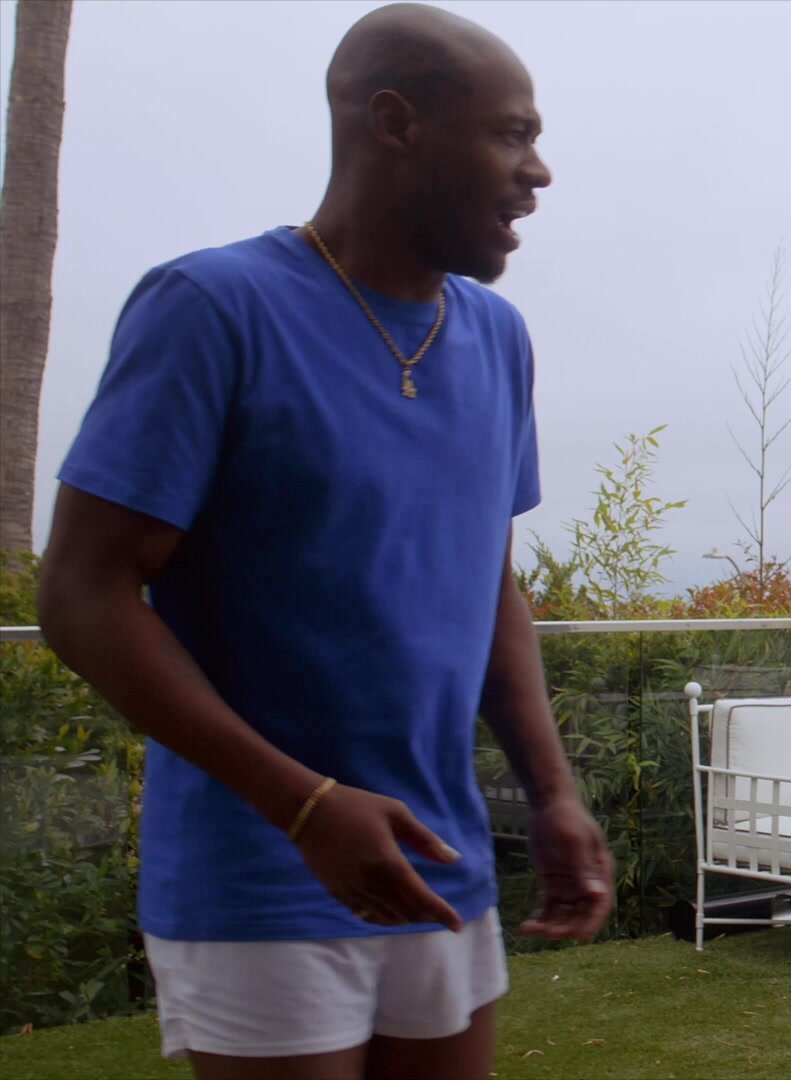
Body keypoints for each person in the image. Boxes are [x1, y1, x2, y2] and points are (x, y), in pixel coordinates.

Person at [35, 5, 611, 1077]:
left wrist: (554, 796)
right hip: (262, 873)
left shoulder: (497, 338)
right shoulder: (214, 308)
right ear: (395, 123)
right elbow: (80, 594)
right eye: (512, 135)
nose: (538, 173)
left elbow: (486, 587)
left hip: (440, 862)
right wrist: (301, 806)